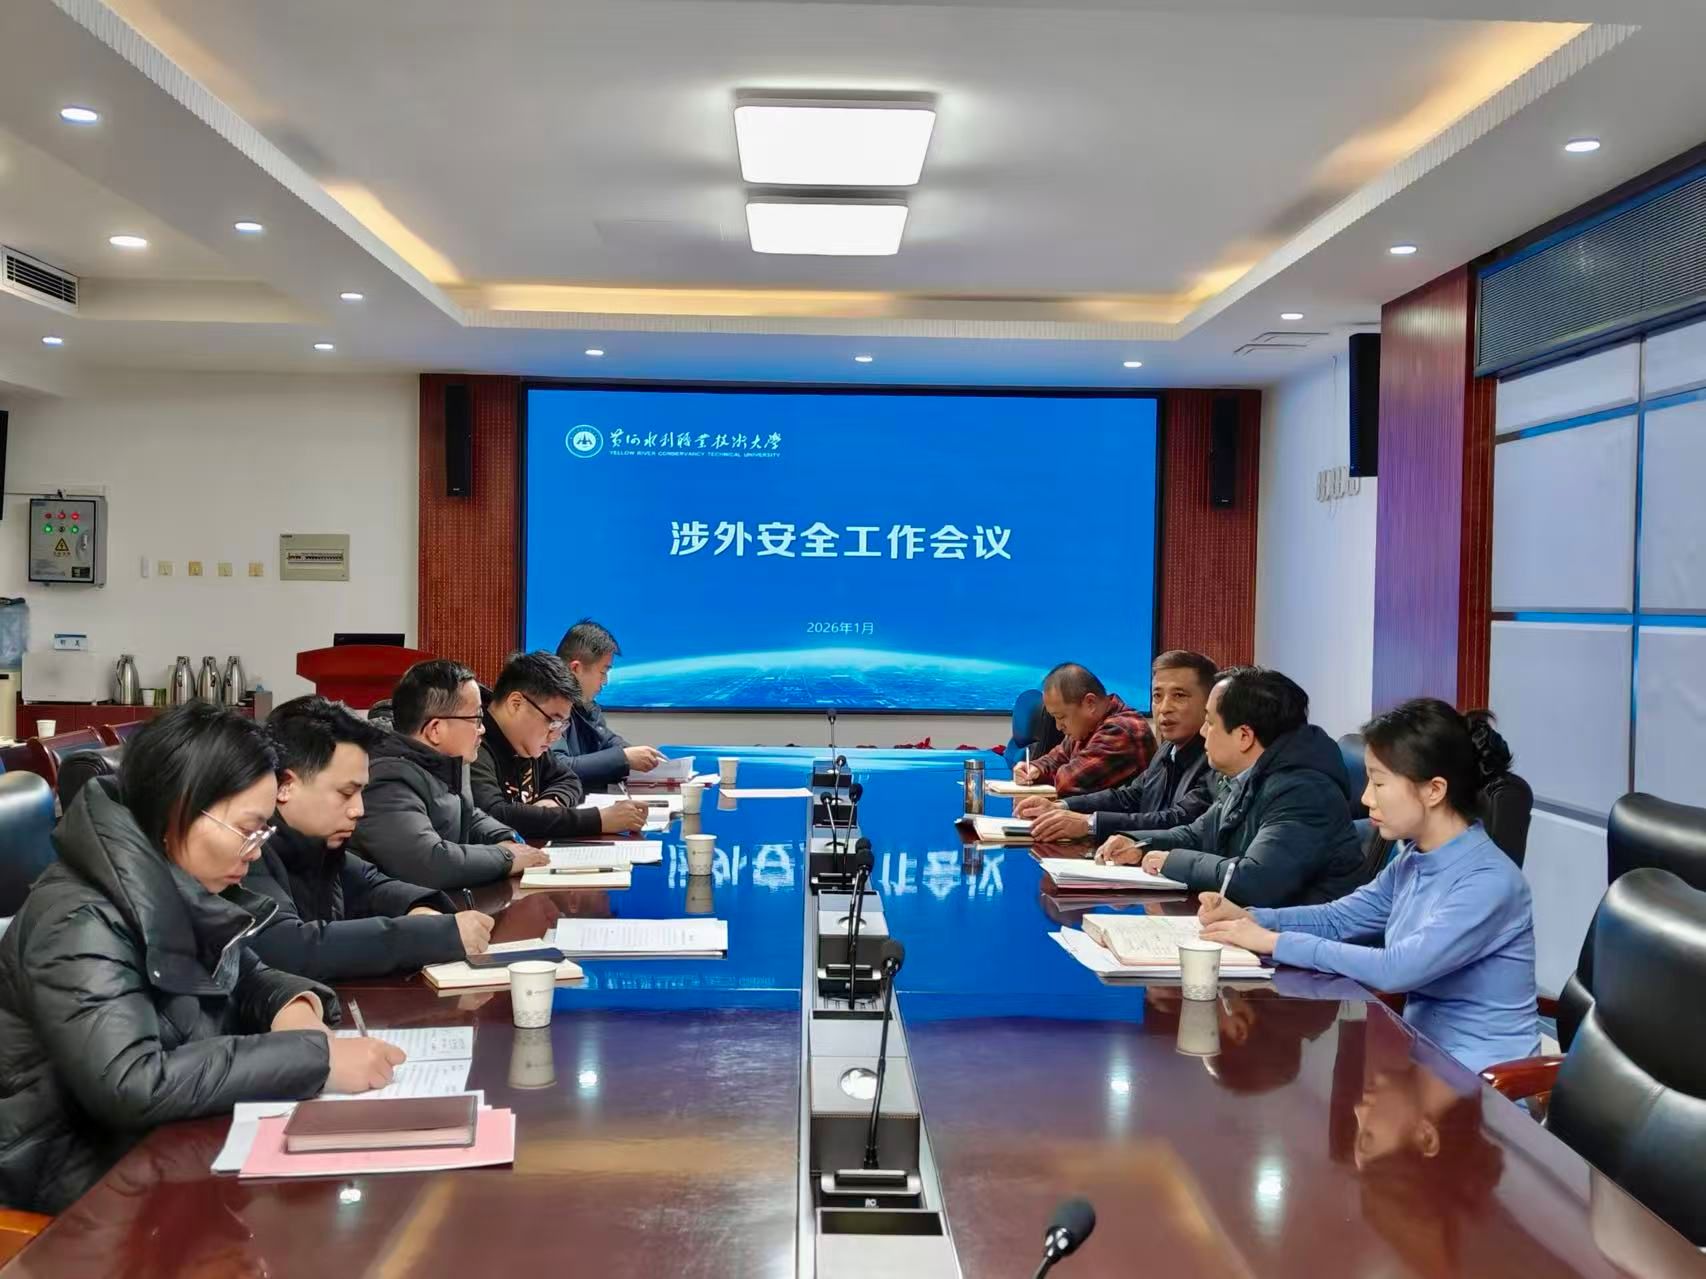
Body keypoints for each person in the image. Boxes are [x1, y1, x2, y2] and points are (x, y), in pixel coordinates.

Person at [0, 703, 403, 1214]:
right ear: (181, 811)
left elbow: (242, 971)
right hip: (72, 1191)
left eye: (264, 833)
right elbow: (132, 1082)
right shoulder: (77, 918)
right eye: (248, 830)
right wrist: (315, 1058)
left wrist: (293, 1008)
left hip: (159, 1158)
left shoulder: (172, 876)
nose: (255, 852)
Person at [1197, 698, 1540, 1074]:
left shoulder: (1488, 882)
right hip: (1424, 1062)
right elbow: (1340, 918)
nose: (1365, 798)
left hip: (1485, 1082)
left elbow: (1397, 968)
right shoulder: (1414, 859)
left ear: (1434, 790)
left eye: (1378, 783)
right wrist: (1252, 919)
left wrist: (1274, 942)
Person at [243, 695, 495, 981]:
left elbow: (372, 885)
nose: (359, 810)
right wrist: (431, 935)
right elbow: (291, 947)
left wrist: (419, 909)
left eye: (361, 792)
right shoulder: (246, 851)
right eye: (346, 793)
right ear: (285, 786)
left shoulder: (319, 844)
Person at [1095, 667, 1364, 907]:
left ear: (1244, 736)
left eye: (1210, 723)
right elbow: (1196, 834)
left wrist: (1171, 861)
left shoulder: (1304, 791)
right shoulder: (1247, 775)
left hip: (1294, 939)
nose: (1203, 732)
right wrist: (1138, 843)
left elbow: (1257, 881)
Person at [349, 659, 549, 889]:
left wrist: (505, 838)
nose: (482, 729)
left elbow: (468, 816)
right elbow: (429, 863)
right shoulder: (386, 781)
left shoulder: (449, 762)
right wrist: (507, 857)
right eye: (476, 719)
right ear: (435, 729)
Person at [1018, 650, 1218, 842]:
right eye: (1157, 696)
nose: (1164, 708)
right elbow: (1131, 796)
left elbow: (1177, 820)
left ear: (1209, 703)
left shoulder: (1215, 760)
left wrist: (1089, 824)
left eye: (1179, 695)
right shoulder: (1169, 749)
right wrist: (1062, 806)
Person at [472, 651, 647, 841]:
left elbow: (568, 778)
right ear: (516, 704)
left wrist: (552, 801)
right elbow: (494, 815)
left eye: (562, 725)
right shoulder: (473, 743)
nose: (556, 736)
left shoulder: (525, 741)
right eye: (553, 722)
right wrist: (598, 820)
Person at [1009, 662, 1153, 798]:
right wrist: (1034, 768)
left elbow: (1068, 783)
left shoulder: (1121, 730)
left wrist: (1041, 775)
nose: (1058, 726)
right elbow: (1056, 758)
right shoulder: (1087, 727)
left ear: (1090, 703)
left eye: (1061, 717)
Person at [551, 619, 665, 790]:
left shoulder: (585, 705)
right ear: (576, 669)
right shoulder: (546, 705)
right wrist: (623, 758)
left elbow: (606, 740)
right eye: (603, 672)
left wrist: (636, 755)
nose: (605, 681)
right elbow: (557, 766)